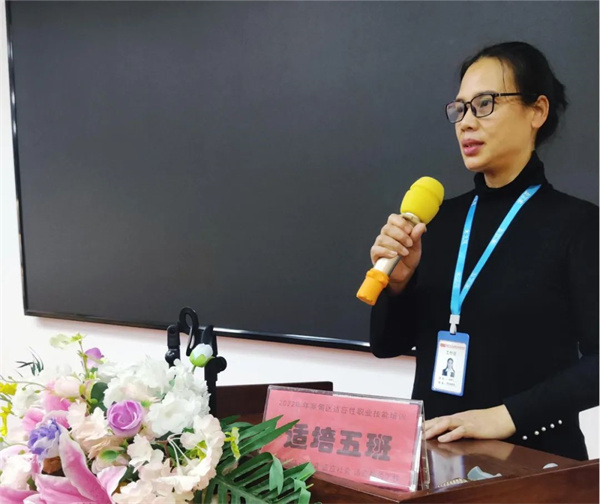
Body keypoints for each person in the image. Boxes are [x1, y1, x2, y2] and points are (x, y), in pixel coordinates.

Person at [369, 41, 598, 460]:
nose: (466, 123)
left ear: (537, 111)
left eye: (485, 104)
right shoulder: (438, 220)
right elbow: (386, 345)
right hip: (434, 461)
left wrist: (507, 416)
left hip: (534, 464)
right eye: (460, 109)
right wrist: (397, 284)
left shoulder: (579, 225)